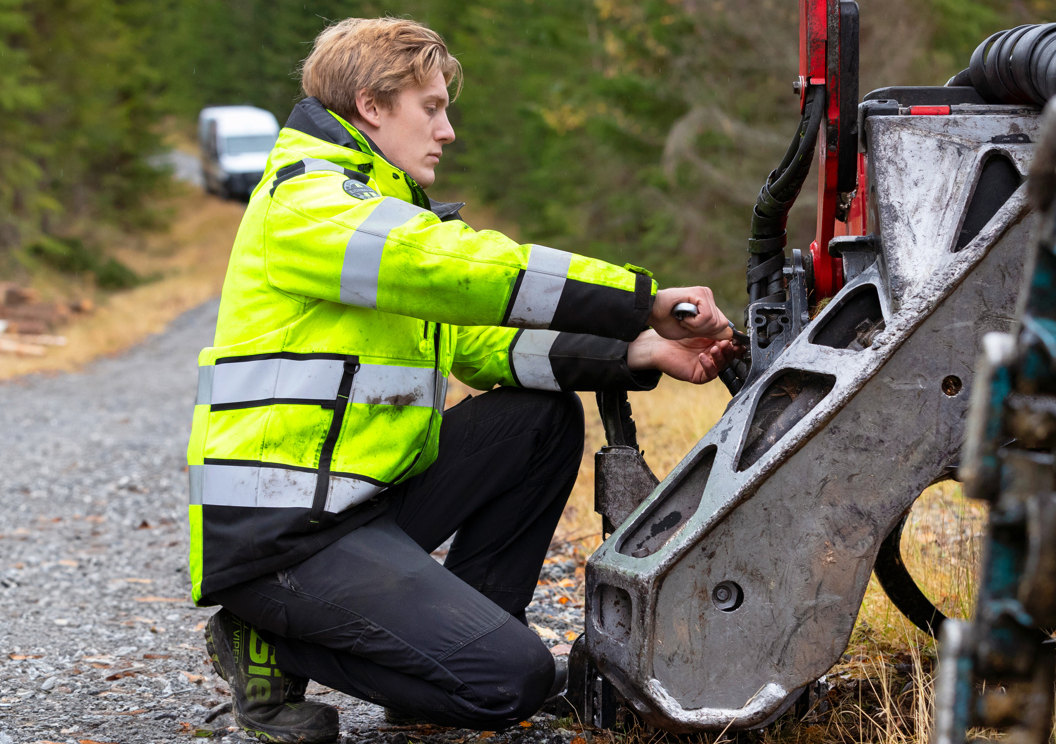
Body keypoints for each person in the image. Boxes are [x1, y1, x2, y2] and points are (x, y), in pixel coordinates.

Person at [184, 17, 738, 744]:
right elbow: (458, 267)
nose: (446, 131)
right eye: (432, 107)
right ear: (371, 106)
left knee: (539, 421)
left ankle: (444, 665)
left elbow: (485, 348)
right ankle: (263, 637)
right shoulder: (308, 205)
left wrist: (639, 350)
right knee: (512, 684)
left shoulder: (379, 208)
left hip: (358, 504)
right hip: (282, 537)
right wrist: (643, 299)